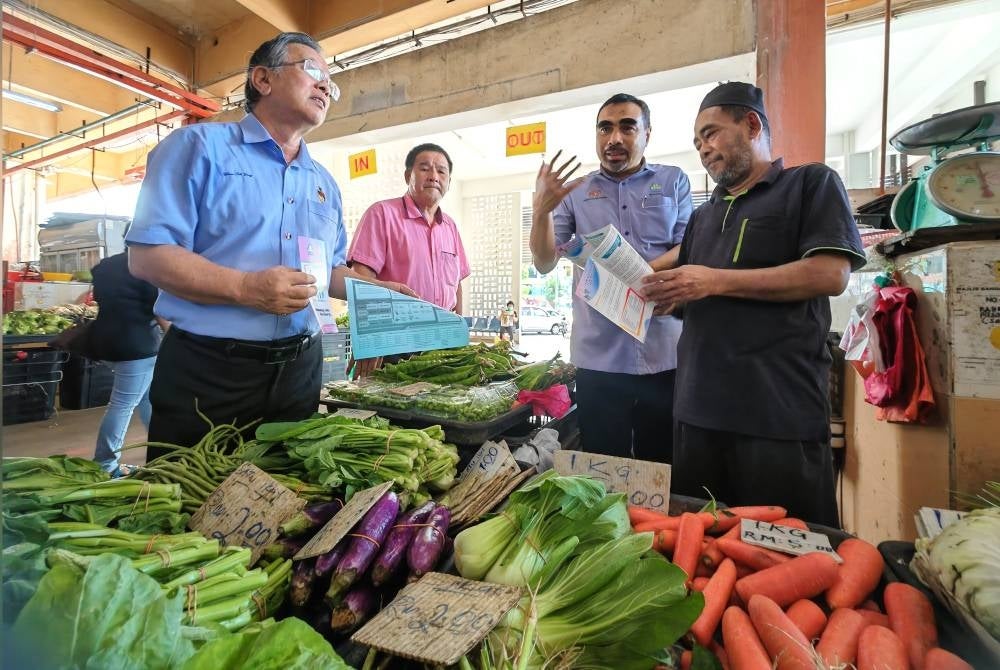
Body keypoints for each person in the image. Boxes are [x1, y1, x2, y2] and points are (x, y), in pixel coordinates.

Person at [126, 32, 415, 455]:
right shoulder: (197, 148)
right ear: (263, 78)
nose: (324, 87)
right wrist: (246, 289)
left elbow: (326, 272)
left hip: (300, 369)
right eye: (312, 71)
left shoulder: (324, 184)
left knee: (287, 499)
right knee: (190, 501)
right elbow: (148, 256)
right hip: (210, 370)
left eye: (330, 84)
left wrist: (378, 291)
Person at [640, 82, 866, 527]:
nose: (703, 149)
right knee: (702, 552)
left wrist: (713, 281)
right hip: (696, 417)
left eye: (711, 133)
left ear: (752, 124)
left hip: (776, 417)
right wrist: (667, 298)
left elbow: (830, 274)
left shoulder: (809, 184)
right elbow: (697, 295)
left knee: (789, 555)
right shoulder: (704, 217)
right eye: (697, 142)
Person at [529, 93, 692, 464]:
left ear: (647, 133)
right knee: (604, 465)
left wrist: (641, 275)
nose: (614, 138)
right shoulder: (575, 191)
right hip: (597, 357)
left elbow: (689, 245)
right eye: (605, 128)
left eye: (627, 127)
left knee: (661, 464)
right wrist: (541, 210)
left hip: (663, 352)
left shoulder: (673, 181)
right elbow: (543, 262)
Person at [346, 143, 471, 377]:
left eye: (441, 171)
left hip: (442, 343)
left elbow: (457, 285)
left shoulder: (451, 227)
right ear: (408, 176)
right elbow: (361, 279)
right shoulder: (382, 214)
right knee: (393, 411)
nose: (434, 176)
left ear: (449, 182)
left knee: (440, 409)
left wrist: (458, 333)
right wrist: (370, 338)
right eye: (425, 168)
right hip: (393, 342)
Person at [87, 251, 167, 476]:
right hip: (137, 346)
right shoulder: (148, 265)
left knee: (149, 401)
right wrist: (175, 339)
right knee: (123, 404)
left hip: (106, 341)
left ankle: (161, 455)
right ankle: (105, 465)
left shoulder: (106, 264)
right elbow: (160, 310)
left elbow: (96, 297)